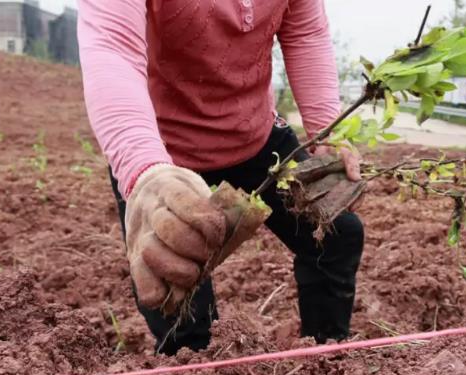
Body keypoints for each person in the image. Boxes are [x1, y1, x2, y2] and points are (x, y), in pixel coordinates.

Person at [77, 0, 365, 356]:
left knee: (336, 235)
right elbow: (112, 48)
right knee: (181, 309)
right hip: (164, 159)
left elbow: (306, 33)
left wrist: (327, 134)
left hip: (257, 140)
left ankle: (326, 363)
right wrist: (146, 173)